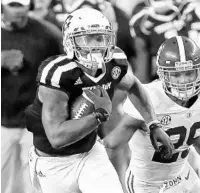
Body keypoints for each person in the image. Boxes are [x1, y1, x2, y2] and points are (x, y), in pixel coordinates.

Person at [25, 7, 174, 193]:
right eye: (87, 38)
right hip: (53, 162)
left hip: (89, 153)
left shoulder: (114, 61)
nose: (95, 45)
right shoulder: (59, 74)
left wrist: (153, 123)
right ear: (70, 41)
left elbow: (135, 86)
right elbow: (57, 137)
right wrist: (98, 116)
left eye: (100, 37)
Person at [103, 36, 200, 193]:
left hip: (183, 176)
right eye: (176, 75)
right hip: (147, 185)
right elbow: (112, 145)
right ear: (163, 74)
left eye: (189, 73)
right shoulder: (150, 99)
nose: (183, 81)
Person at [1, 0, 63, 192]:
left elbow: (65, 71)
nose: (19, 10)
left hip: (36, 119)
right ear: (2, 6)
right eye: (13, 5)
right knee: (3, 178)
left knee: (35, 180)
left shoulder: (48, 34)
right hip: (2, 119)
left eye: (22, 5)